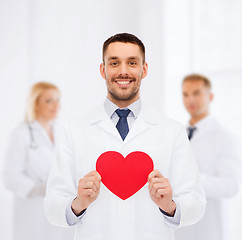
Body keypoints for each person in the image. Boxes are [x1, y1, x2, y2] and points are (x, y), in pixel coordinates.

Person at [44, 33, 206, 240]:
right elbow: (52, 206)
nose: (123, 71)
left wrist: (170, 206)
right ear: (103, 70)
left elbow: (196, 202)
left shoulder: (171, 131)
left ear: (143, 69)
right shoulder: (74, 130)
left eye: (132, 63)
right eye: (114, 63)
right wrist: (78, 203)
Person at [2, 82, 73, 240]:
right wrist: (39, 189)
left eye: (57, 100)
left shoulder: (61, 131)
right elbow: (10, 177)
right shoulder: (21, 133)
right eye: (49, 101)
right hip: (32, 209)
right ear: (35, 104)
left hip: (58, 206)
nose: (56, 105)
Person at [175, 74, 241, 240]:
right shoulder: (178, 134)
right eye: (186, 94)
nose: (190, 99)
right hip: (180, 225)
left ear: (210, 96)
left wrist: (191, 180)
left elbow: (231, 185)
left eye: (197, 93)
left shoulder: (224, 137)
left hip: (209, 228)